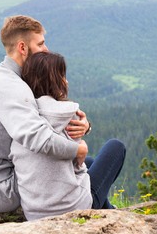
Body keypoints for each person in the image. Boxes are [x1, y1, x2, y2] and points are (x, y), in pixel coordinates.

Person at [0, 15, 90, 213]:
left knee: (79, 164)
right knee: (74, 166)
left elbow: (49, 122)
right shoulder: (13, 87)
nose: (46, 49)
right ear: (23, 48)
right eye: (40, 44)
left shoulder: (3, 78)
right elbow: (38, 137)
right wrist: (78, 151)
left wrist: (85, 127)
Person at [10, 51, 126, 220]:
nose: (66, 81)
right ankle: (108, 212)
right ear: (55, 81)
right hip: (71, 209)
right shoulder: (67, 114)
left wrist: (86, 128)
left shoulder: (21, 115)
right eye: (62, 76)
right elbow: (78, 166)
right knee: (116, 147)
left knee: (91, 162)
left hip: (34, 212)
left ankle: (109, 209)